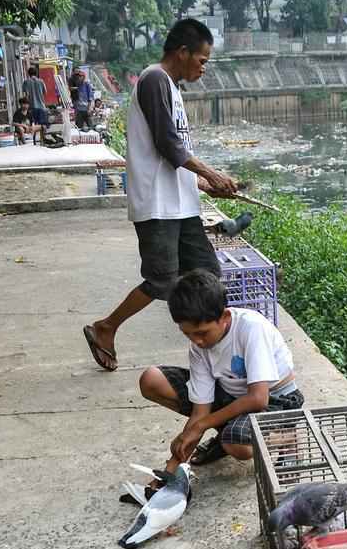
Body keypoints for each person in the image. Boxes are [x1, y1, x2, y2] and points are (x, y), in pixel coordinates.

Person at [83, 18, 238, 372]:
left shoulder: (171, 87)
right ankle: (105, 327)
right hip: (157, 207)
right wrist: (211, 172)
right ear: (182, 52)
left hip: (181, 206)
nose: (203, 68)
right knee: (162, 281)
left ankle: (212, 347)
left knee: (208, 275)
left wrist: (204, 185)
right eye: (201, 60)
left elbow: (173, 156)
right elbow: (168, 146)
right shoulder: (154, 79)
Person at [138, 269, 303, 471]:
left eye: (202, 333)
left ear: (224, 316)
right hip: (230, 394)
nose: (197, 341)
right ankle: (229, 431)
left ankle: (289, 437)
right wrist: (169, 474)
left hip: (275, 399)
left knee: (237, 445)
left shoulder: (251, 327)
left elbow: (258, 398)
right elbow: (201, 411)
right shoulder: (198, 348)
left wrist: (201, 425)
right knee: (151, 380)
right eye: (188, 334)